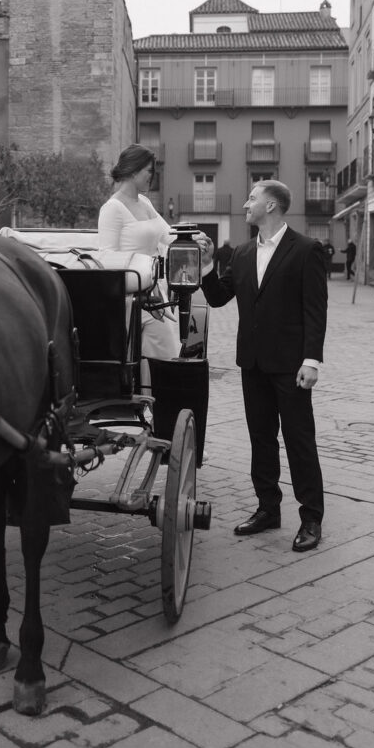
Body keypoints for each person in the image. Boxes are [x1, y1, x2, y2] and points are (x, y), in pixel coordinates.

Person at [200, 180, 327, 552]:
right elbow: (219, 297)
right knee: (261, 439)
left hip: (291, 366)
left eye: (252, 199)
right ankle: (268, 509)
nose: (245, 204)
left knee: (299, 441)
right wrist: (208, 265)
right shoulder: (240, 253)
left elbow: (315, 310)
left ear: (271, 206)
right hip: (252, 363)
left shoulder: (306, 250)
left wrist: (311, 360)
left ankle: (311, 518)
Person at [98, 144, 181, 365]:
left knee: (164, 355)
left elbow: (168, 234)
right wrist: (145, 272)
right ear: (134, 170)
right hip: (130, 299)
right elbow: (106, 258)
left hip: (154, 294)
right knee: (161, 357)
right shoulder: (112, 209)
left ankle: (155, 398)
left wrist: (193, 239)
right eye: (149, 171)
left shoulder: (144, 202)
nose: (151, 177)